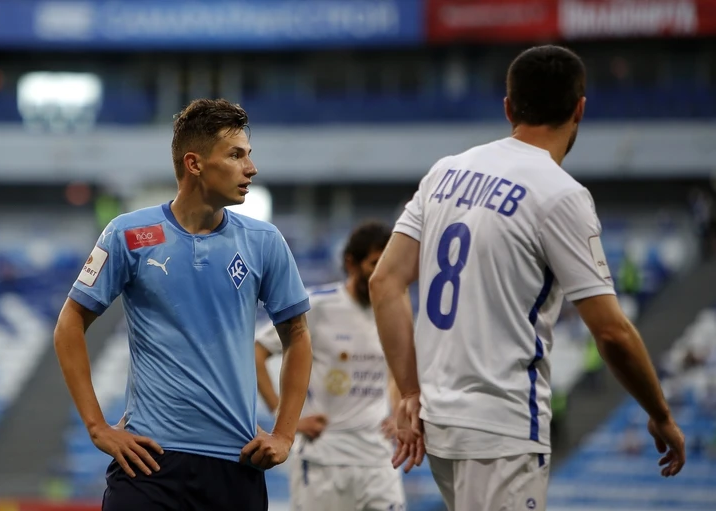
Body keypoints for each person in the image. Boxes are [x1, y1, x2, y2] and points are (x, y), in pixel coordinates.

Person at [368, 45, 686, 511]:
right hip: (502, 427)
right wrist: (660, 414)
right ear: (579, 109)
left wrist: (410, 392)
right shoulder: (561, 195)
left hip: (438, 424)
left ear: (508, 108)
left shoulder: (445, 172)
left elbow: (384, 282)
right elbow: (612, 332)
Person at [54, 99, 313, 511]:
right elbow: (69, 324)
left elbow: (297, 336)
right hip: (148, 463)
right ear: (194, 164)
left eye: (248, 154)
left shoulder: (265, 242)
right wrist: (97, 426)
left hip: (235, 465)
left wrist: (284, 434)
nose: (251, 168)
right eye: (236, 155)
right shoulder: (128, 234)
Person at [254, 221, 406, 511]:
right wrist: (283, 418)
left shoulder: (394, 311)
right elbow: (257, 352)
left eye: (387, 263)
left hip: (378, 460)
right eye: (375, 263)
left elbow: (395, 369)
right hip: (323, 458)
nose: (382, 272)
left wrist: (398, 411)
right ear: (351, 263)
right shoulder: (318, 306)